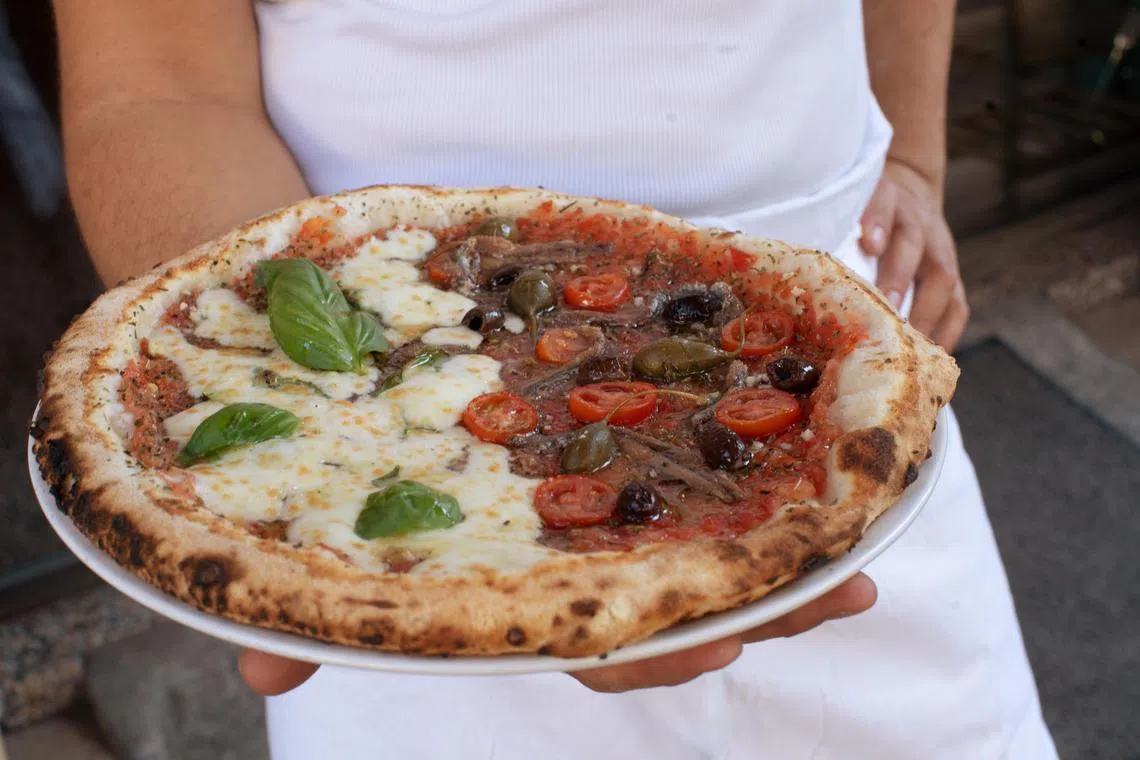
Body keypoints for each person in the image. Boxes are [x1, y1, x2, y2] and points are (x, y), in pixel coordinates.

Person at [53, 1, 1058, 757]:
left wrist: (914, 158)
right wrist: (321, 427)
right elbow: (157, 82)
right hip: (380, 431)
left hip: (810, 385)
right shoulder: (345, 479)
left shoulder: (845, 388)